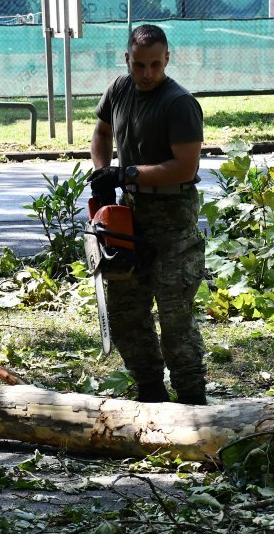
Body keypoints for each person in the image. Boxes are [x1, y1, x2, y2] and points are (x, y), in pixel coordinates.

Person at [88, 24, 208, 405]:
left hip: (173, 216)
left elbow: (184, 168)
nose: (147, 74)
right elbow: (102, 133)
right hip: (130, 213)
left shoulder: (179, 103)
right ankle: (150, 393)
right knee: (126, 309)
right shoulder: (119, 90)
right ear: (128, 60)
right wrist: (102, 173)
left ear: (167, 59)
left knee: (175, 317)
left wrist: (127, 173)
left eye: (155, 65)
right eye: (139, 65)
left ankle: (192, 399)